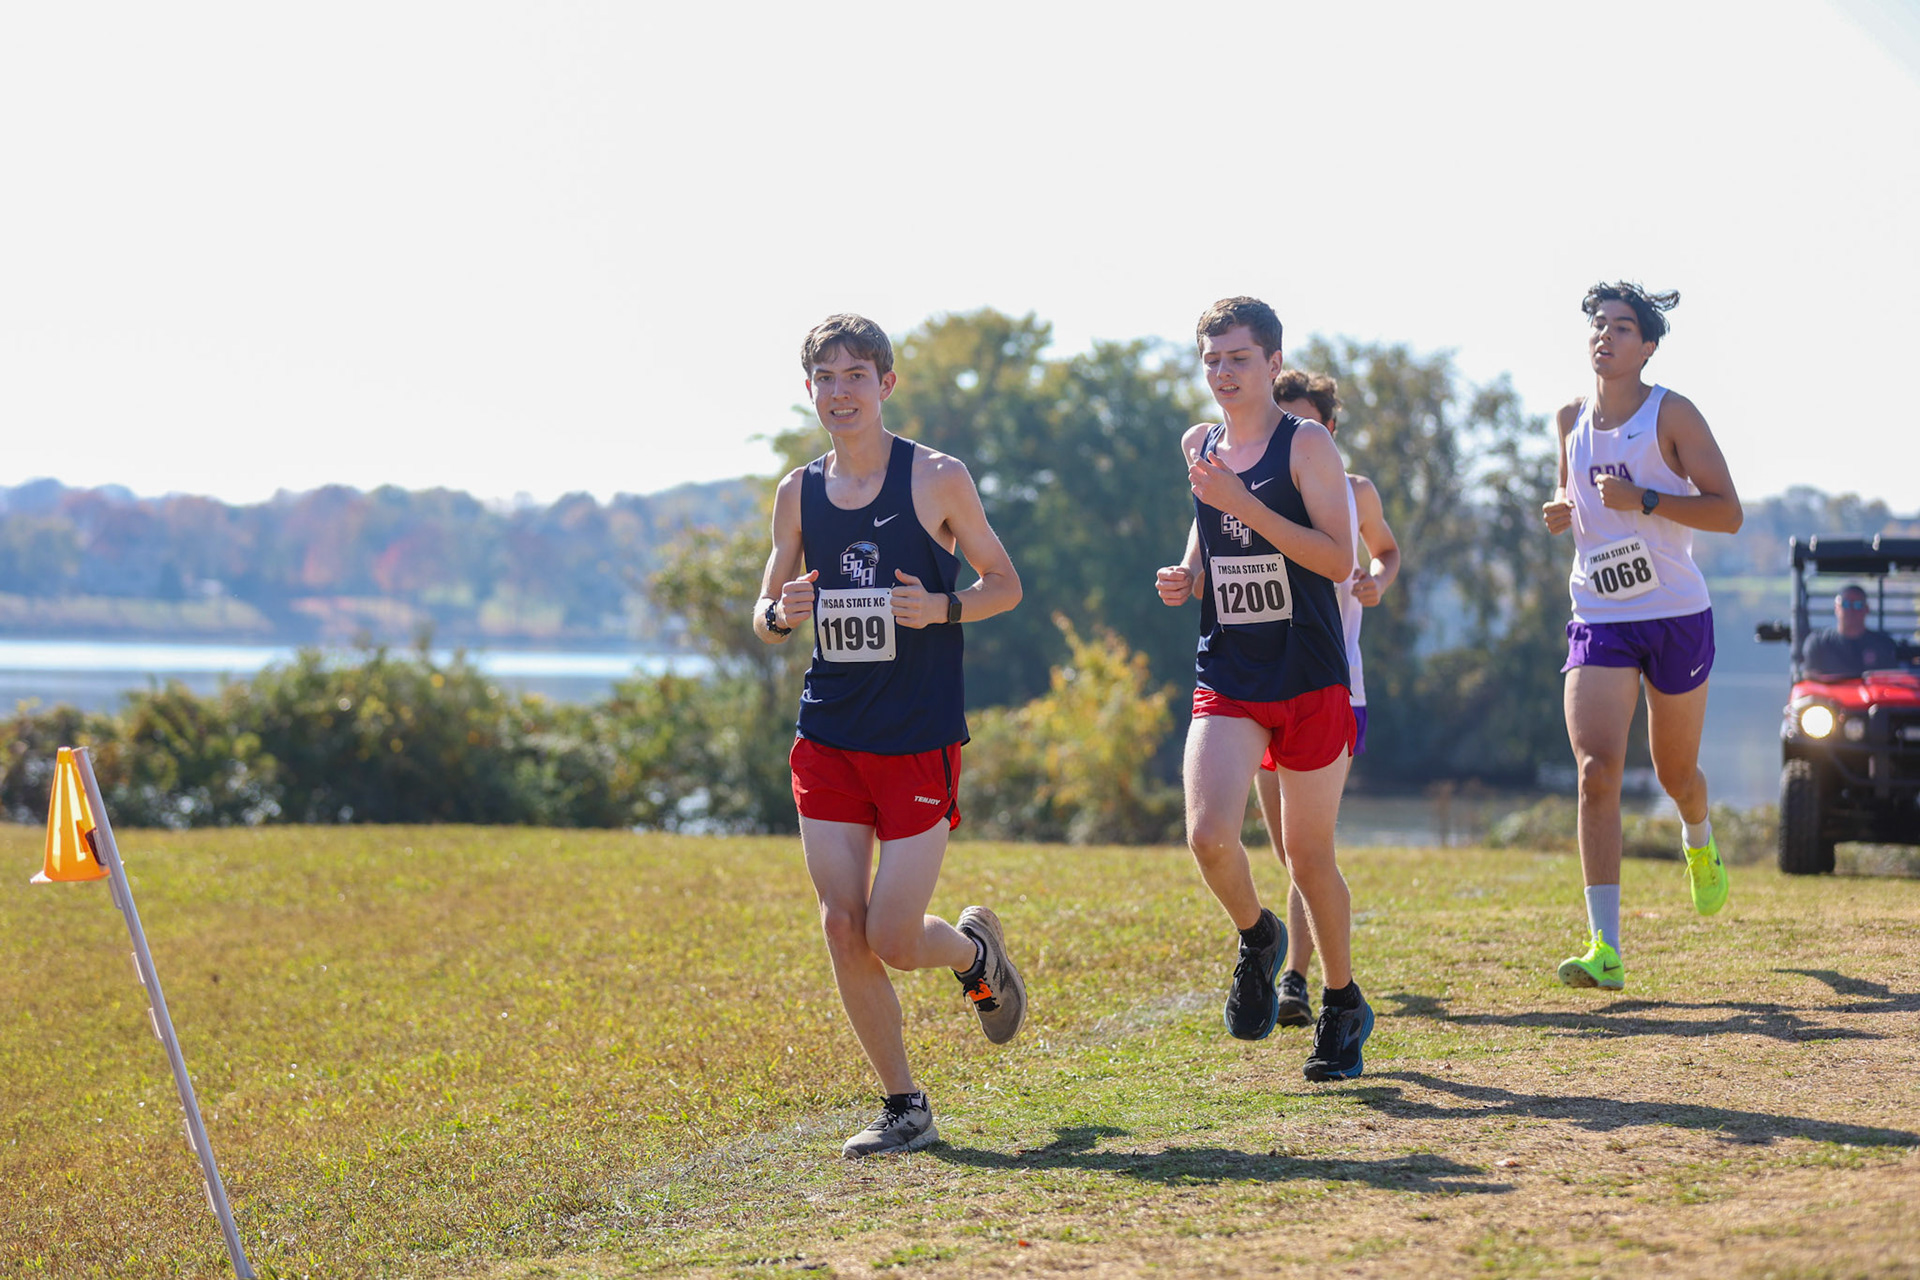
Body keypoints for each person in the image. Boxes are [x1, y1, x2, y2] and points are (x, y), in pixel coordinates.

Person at [755, 313, 1025, 1157]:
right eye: (825, 378)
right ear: (811, 390)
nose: (840, 392)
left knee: (894, 938)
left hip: (916, 736)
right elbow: (765, 610)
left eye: (855, 376)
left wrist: (939, 606)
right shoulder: (796, 492)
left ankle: (974, 952)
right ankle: (904, 1104)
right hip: (829, 730)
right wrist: (779, 612)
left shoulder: (937, 478)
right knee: (842, 924)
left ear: (886, 384)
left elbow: (1005, 584)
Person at [1154, 296, 1373, 1081]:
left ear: (1274, 364)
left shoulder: (1305, 444)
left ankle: (1343, 1004)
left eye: (1238, 359)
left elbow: (1336, 560)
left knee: (1309, 857)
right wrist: (1190, 572)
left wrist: (1246, 506)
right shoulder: (1199, 443)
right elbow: (1211, 528)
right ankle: (1256, 935)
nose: (1222, 373)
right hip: (1231, 672)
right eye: (1212, 360)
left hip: (1310, 675)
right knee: (1209, 835)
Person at [1540, 282, 1743, 991]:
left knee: (1674, 774)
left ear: (1648, 346)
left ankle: (1698, 835)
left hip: (1676, 615)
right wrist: (1565, 508)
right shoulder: (1569, 417)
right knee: (1597, 772)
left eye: (1623, 328)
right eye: (1599, 325)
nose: (1607, 336)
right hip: (1600, 613)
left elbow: (1729, 513)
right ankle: (1606, 946)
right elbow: (1576, 495)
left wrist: (1647, 499)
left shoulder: (1672, 414)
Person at [1257, 370, 1399, 1028]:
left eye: (1302, 424)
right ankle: (1306, 959)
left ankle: (1295, 978)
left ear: (1327, 432)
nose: (1287, 435)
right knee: (1290, 853)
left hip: (1335, 686)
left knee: (1307, 849)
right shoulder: (1247, 488)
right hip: (1256, 688)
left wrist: (1376, 580)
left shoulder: (1354, 492)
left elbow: (1386, 553)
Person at [1804, 585, 1900, 678]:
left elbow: (1889, 684)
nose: (1851, 610)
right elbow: (1811, 683)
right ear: (1836, 608)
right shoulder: (1819, 643)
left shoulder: (1884, 646)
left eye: (1858, 605)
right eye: (1846, 604)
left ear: (1866, 609)